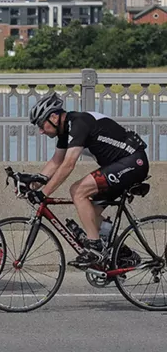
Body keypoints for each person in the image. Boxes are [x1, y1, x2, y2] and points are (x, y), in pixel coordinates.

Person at [28, 93, 149, 267]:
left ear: (54, 117)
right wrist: (32, 185)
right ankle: (123, 253)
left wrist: (44, 193)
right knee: (91, 213)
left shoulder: (79, 123)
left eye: (41, 124)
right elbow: (56, 162)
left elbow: (68, 165)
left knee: (77, 191)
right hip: (119, 165)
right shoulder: (65, 131)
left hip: (132, 162)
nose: (40, 130)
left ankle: (95, 247)